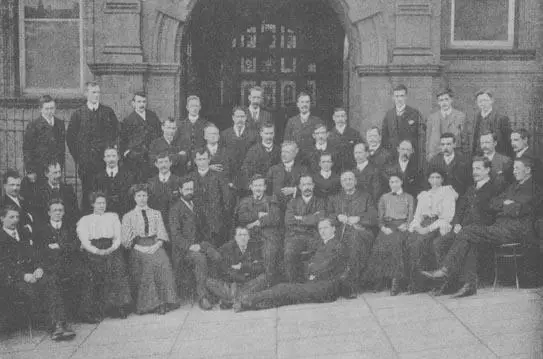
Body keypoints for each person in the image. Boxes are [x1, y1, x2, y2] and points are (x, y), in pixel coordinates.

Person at [422, 157, 542, 297]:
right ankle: (466, 283)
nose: (514, 171)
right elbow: (493, 204)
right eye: (514, 168)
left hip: (516, 230)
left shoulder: (535, 189)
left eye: (517, 168)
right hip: (500, 227)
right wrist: (506, 204)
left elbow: (520, 209)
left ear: (527, 170)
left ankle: (447, 271)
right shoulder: (512, 187)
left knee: (469, 232)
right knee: (469, 237)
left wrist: (507, 205)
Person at [234, 218, 348, 312]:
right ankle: (245, 301)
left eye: (326, 228)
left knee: (284, 289)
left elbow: (327, 266)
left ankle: (246, 300)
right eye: (320, 229)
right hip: (314, 281)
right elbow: (312, 262)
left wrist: (310, 272)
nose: (322, 231)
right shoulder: (323, 244)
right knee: (278, 283)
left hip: (324, 288)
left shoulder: (336, 246)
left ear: (333, 229)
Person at [424, 157, 500, 296]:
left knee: (469, 243)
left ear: (487, 170)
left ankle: (466, 283)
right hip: (462, 228)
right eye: (473, 169)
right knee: (439, 242)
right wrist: (457, 223)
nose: (474, 172)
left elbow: (492, 213)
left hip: (481, 230)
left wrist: (471, 226)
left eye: (478, 168)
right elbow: (461, 209)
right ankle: (449, 281)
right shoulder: (471, 188)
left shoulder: (494, 188)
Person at [0, 205, 75, 341]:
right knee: (34, 291)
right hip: (12, 278)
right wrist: (23, 275)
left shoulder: (23, 233)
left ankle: (61, 324)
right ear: (2, 218)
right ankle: (54, 327)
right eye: (11, 217)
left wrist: (39, 267)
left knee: (51, 280)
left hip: (33, 272)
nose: (15, 220)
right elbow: (4, 265)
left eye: (17, 217)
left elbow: (34, 254)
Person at [34, 198, 94, 323]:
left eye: (60, 210)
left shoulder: (70, 228)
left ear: (64, 212)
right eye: (55, 210)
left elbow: (76, 245)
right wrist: (64, 248)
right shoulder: (41, 230)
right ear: (49, 213)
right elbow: (41, 250)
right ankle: (58, 320)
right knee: (52, 281)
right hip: (51, 266)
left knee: (86, 274)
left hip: (69, 264)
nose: (58, 213)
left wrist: (60, 246)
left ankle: (85, 313)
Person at [122, 184, 179, 315]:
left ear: (148, 197)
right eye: (139, 196)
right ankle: (152, 304)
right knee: (147, 265)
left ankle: (167, 300)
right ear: (134, 198)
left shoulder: (156, 213)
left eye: (144, 195)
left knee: (163, 262)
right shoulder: (128, 216)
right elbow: (126, 240)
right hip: (138, 247)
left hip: (155, 244)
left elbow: (161, 233)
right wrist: (140, 248)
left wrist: (156, 245)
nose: (142, 199)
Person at [76, 192, 132, 320]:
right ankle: (99, 308)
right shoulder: (85, 220)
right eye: (98, 203)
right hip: (94, 250)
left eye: (103, 203)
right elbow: (84, 241)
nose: (101, 206)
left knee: (117, 268)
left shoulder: (113, 217)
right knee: (96, 271)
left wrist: (112, 248)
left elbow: (118, 236)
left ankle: (118, 306)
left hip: (111, 247)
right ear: (92, 204)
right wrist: (97, 251)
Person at [66, 82, 119, 211]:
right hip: (87, 165)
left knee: (104, 194)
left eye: (98, 92)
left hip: (104, 164)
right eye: (93, 92)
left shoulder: (108, 112)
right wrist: (80, 158)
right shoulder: (78, 114)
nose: (96, 95)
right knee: (88, 195)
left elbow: (116, 133)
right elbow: (71, 139)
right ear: (86, 93)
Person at [189, 226, 267, 309]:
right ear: (235, 238)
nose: (243, 238)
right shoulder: (228, 247)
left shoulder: (254, 247)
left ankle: (231, 299)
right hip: (233, 284)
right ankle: (238, 298)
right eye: (240, 235)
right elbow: (219, 260)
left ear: (249, 237)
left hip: (248, 282)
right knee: (209, 282)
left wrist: (243, 267)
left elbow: (261, 266)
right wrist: (241, 274)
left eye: (245, 235)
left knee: (264, 278)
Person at [405, 168, 458, 292]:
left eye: (438, 177)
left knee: (420, 243)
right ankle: (416, 283)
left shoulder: (447, 192)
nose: (435, 180)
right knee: (409, 241)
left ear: (442, 179)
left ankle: (430, 282)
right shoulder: (424, 195)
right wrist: (417, 226)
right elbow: (418, 215)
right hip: (424, 223)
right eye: (432, 177)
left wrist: (427, 229)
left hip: (439, 223)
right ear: (428, 180)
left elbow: (447, 216)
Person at [327, 171, 378, 295]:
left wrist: (359, 218)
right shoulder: (335, 198)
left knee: (355, 240)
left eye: (350, 179)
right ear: (341, 183)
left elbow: (373, 216)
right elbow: (328, 215)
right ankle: (336, 283)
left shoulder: (366, 197)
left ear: (355, 181)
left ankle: (350, 283)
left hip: (362, 231)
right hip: (341, 232)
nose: (348, 182)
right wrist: (338, 217)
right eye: (345, 180)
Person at [364, 173, 414, 295]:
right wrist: (382, 227)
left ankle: (395, 280)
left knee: (396, 245)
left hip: (402, 226)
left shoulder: (408, 197)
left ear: (401, 182)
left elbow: (411, 214)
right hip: (388, 225)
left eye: (396, 181)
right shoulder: (384, 197)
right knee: (379, 245)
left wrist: (407, 224)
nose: (394, 184)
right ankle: (380, 279)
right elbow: (380, 216)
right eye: (391, 182)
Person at [236, 174, 282, 282]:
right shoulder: (245, 201)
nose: (258, 188)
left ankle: (268, 282)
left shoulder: (271, 199)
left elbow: (275, 218)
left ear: (265, 187)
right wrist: (258, 214)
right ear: (251, 187)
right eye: (255, 186)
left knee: (269, 255)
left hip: (268, 235)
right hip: (250, 234)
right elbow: (242, 217)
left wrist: (256, 222)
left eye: (261, 185)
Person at [168, 177, 207, 300]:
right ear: (180, 190)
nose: (189, 191)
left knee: (215, 254)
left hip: (198, 245)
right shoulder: (175, 209)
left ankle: (216, 291)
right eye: (186, 189)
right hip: (183, 250)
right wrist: (190, 246)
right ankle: (202, 297)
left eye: (191, 189)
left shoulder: (196, 205)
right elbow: (175, 235)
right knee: (200, 258)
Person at [283, 175, 327, 283]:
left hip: (315, 235)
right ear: (299, 186)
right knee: (289, 252)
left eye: (309, 184)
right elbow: (289, 221)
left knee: (323, 252)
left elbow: (320, 218)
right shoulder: (292, 202)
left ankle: (315, 283)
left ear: (313, 186)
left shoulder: (320, 201)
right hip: (295, 236)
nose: (306, 187)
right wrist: (311, 217)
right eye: (304, 184)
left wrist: (300, 218)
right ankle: (292, 285)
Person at [188, 148, 232, 248]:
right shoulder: (190, 178)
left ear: (209, 159)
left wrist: (221, 220)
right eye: (199, 159)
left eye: (204, 159)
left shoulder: (219, 177)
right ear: (195, 161)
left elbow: (226, 200)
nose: (202, 162)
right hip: (197, 222)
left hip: (216, 223)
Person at [120, 92, 162, 182]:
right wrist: (128, 152)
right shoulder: (128, 120)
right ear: (133, 103)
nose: (142, 104)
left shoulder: (152, 116)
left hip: (152, 156)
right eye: (139, 102)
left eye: (144, 102)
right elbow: (123, 140)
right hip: (137, 158)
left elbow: (159, 133)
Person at [23, 95, 66, 182]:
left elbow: (62, 147)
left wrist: (60, 166)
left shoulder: (60, 124)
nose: (50, 111)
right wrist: (30, 171)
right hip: (40, 169)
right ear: (40, 109)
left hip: (55, 169)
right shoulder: (33, 125)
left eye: (52, 108)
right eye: (47, 109)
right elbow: (27, 149)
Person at [220, 106, 258, 193]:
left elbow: (255, 157)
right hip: (230, 178)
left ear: (246, 117)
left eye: (242, 116)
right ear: (233, 118)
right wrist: (227, 180)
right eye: (237, 116)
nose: (240, 119)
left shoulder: (254, 135)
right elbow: (223, 157)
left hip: (248, 178)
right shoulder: (225, 134)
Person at [381, 84, 424, 160]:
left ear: (406, 97)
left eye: (402, 96)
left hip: (410, 154)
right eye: (397, 96)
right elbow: (384, 137)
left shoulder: (414, 113)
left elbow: (420, 136)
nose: (399, 99)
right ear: (393, 98)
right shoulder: (389, 115)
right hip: (393, 155)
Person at [92, 146, 135, 217]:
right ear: (104, 159)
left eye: (114, 156)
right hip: (104, 215)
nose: (111, 159)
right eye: (108, 156)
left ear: (118, 158)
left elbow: (131, 198)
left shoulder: (128, 176)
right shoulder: (98, 177)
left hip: (123, 214)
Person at [426, 88, 467, 160]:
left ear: (451, 100)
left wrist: (463, 157)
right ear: (438, 102)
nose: (444, 103)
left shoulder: (460, 116)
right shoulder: (432, 118)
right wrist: (429, 155)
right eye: (441, 100)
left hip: (454, 156)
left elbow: (464, 140)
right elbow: (428, 139)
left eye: (446, 99)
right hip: (435, 155)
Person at [471, 89, 513, 158]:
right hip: (479, 158)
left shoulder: (501, 118)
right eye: (480, 101)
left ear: (491, 101)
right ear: (477, 103)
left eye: (485, 100)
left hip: (496, 157)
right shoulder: (476, 118)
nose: (483, 103)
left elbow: (508, 141)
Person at [266, 141, 308, 211]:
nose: (283, 155)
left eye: (287, 152)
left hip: (297, 209)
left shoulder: (303, 170)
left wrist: (294, 190)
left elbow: (308, 188)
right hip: (277, 209)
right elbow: (267, 190)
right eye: (283, 152)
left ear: (295, 153)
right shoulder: (273, 169)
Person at [240, 121, 281, 191]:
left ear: (274, 134)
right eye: (266, 133)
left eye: (271, 133)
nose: (269, 136)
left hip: (274, 188)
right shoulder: (253, 151)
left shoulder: (279, 151)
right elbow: (245, 170)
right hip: (258, 188)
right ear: (261, 134)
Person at [37, 161, 80, 226]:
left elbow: (75, 212)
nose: (58, 175)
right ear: (46, 174)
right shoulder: (40, 192)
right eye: (55, 173)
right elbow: (38, 216)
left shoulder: (68, 190)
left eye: (59, 172)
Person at [147, 152, 181, 231]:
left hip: (174, 224)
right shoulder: (151, 183)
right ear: (156, 164)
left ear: (170, 163)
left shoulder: (178, 181)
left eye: (166, 162)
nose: (163, 165)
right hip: (157, 224)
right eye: (160, 162)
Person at [327, 107, 362, 172]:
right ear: (333, 118)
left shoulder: (354, 133)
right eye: (337, 116)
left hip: (351, 169)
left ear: (346, 117)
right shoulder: (329, 136)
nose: (340, 119)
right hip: (335, 171)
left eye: (342, 116)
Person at [175, 95, 208, 160]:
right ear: (187, 107)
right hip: (183, 160)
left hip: (200, 159)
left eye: (196, 106)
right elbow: (175, 143)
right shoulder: (180, 125)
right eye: (192, 106)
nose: (194, 108)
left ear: (200, 107)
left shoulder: (205, 124)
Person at [2, 169, 34, 233]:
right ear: (5, 186)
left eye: (18, 185)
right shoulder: (2, 203)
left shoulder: (23, 202)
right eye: (12, 185)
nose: (15, 188)